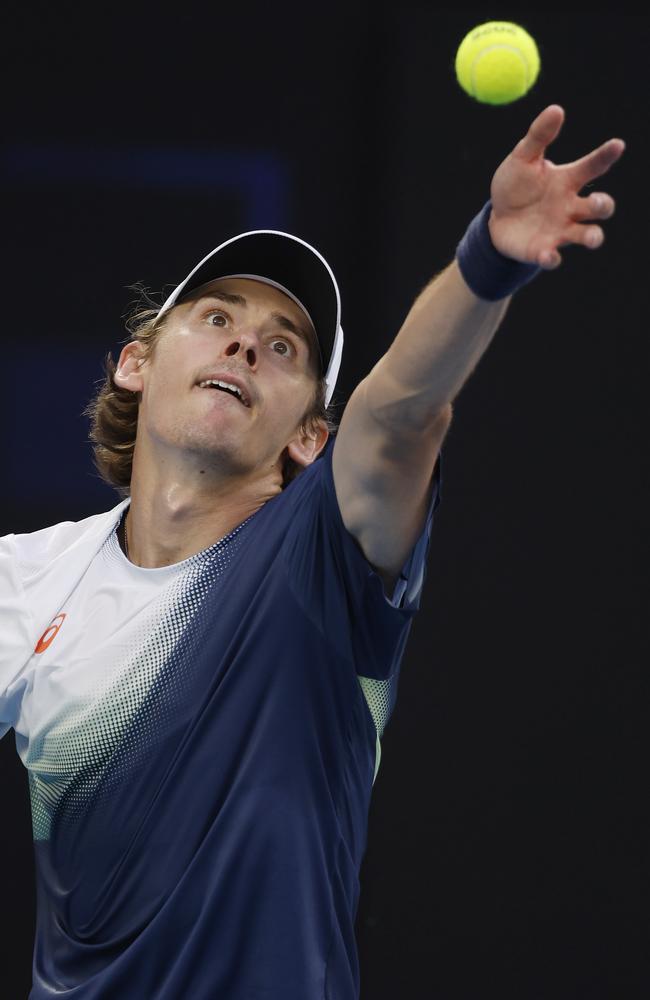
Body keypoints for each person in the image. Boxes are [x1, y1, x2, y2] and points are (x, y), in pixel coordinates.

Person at [0, 105, 624, 999]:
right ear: (137, 363)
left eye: (283, 347)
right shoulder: (27, 580)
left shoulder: (322, 559)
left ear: (308, 436)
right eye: (215, 317)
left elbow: (404, 409)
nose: (245, 341)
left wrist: (488, 260)